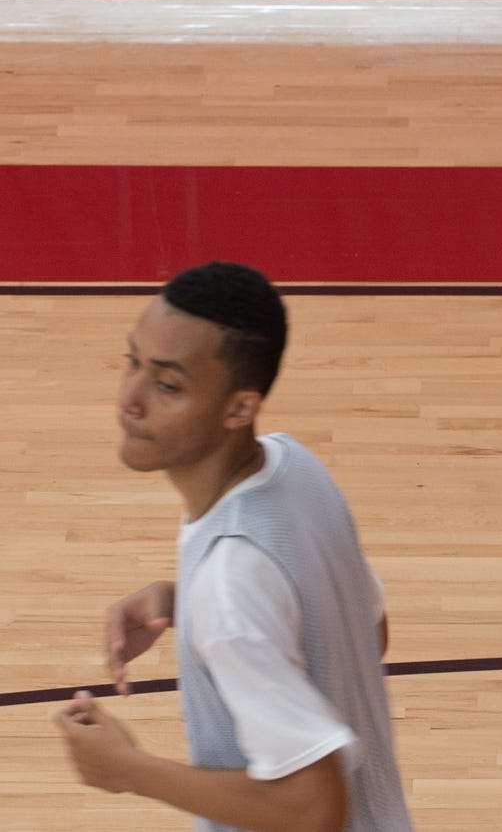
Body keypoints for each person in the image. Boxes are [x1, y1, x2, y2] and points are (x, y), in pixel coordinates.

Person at [54, 262, 411, 832]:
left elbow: (315, 809)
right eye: (133, 362)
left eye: (167, 385)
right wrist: (186, 601)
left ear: (239, 408)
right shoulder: (296, 468)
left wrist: (126, 768)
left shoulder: (230, 583)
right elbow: (366, 632)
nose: (131, 399)